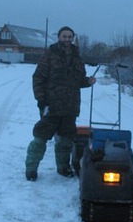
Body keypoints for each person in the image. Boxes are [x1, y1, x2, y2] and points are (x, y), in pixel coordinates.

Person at [25, 26, 96, 181]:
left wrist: (88, 82)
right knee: (40, 138)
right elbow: (38, 78)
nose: (67, 39)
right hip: (51, 105)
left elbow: (79, 80)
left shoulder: (77, 57)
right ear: (59, 37)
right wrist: (41, 99)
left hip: (70, 107)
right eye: (64, 36)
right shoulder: (50, 54)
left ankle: (63, 168)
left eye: (70, 37)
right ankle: (31, 169)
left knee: (65, 140)